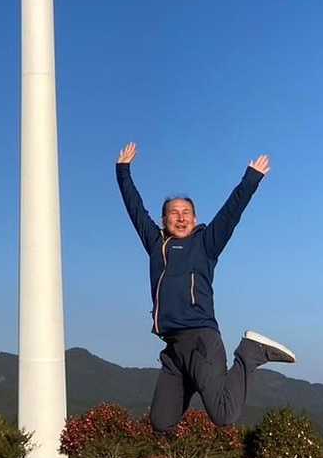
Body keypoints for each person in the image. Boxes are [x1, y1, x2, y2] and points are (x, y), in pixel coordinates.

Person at [116, 141, 296, 432]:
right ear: (163, 220)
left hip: (201, 339)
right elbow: (134, 209)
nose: (181, 217)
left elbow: (230, 214)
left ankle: (250, 353)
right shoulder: (156, 245)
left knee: (224, 414)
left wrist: (251, 179)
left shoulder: (206, 244)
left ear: (195, 219)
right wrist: (123, 171)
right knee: (161, 421)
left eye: (187, 212)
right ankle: (192, 379)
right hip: (173, 349)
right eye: (174, 212)